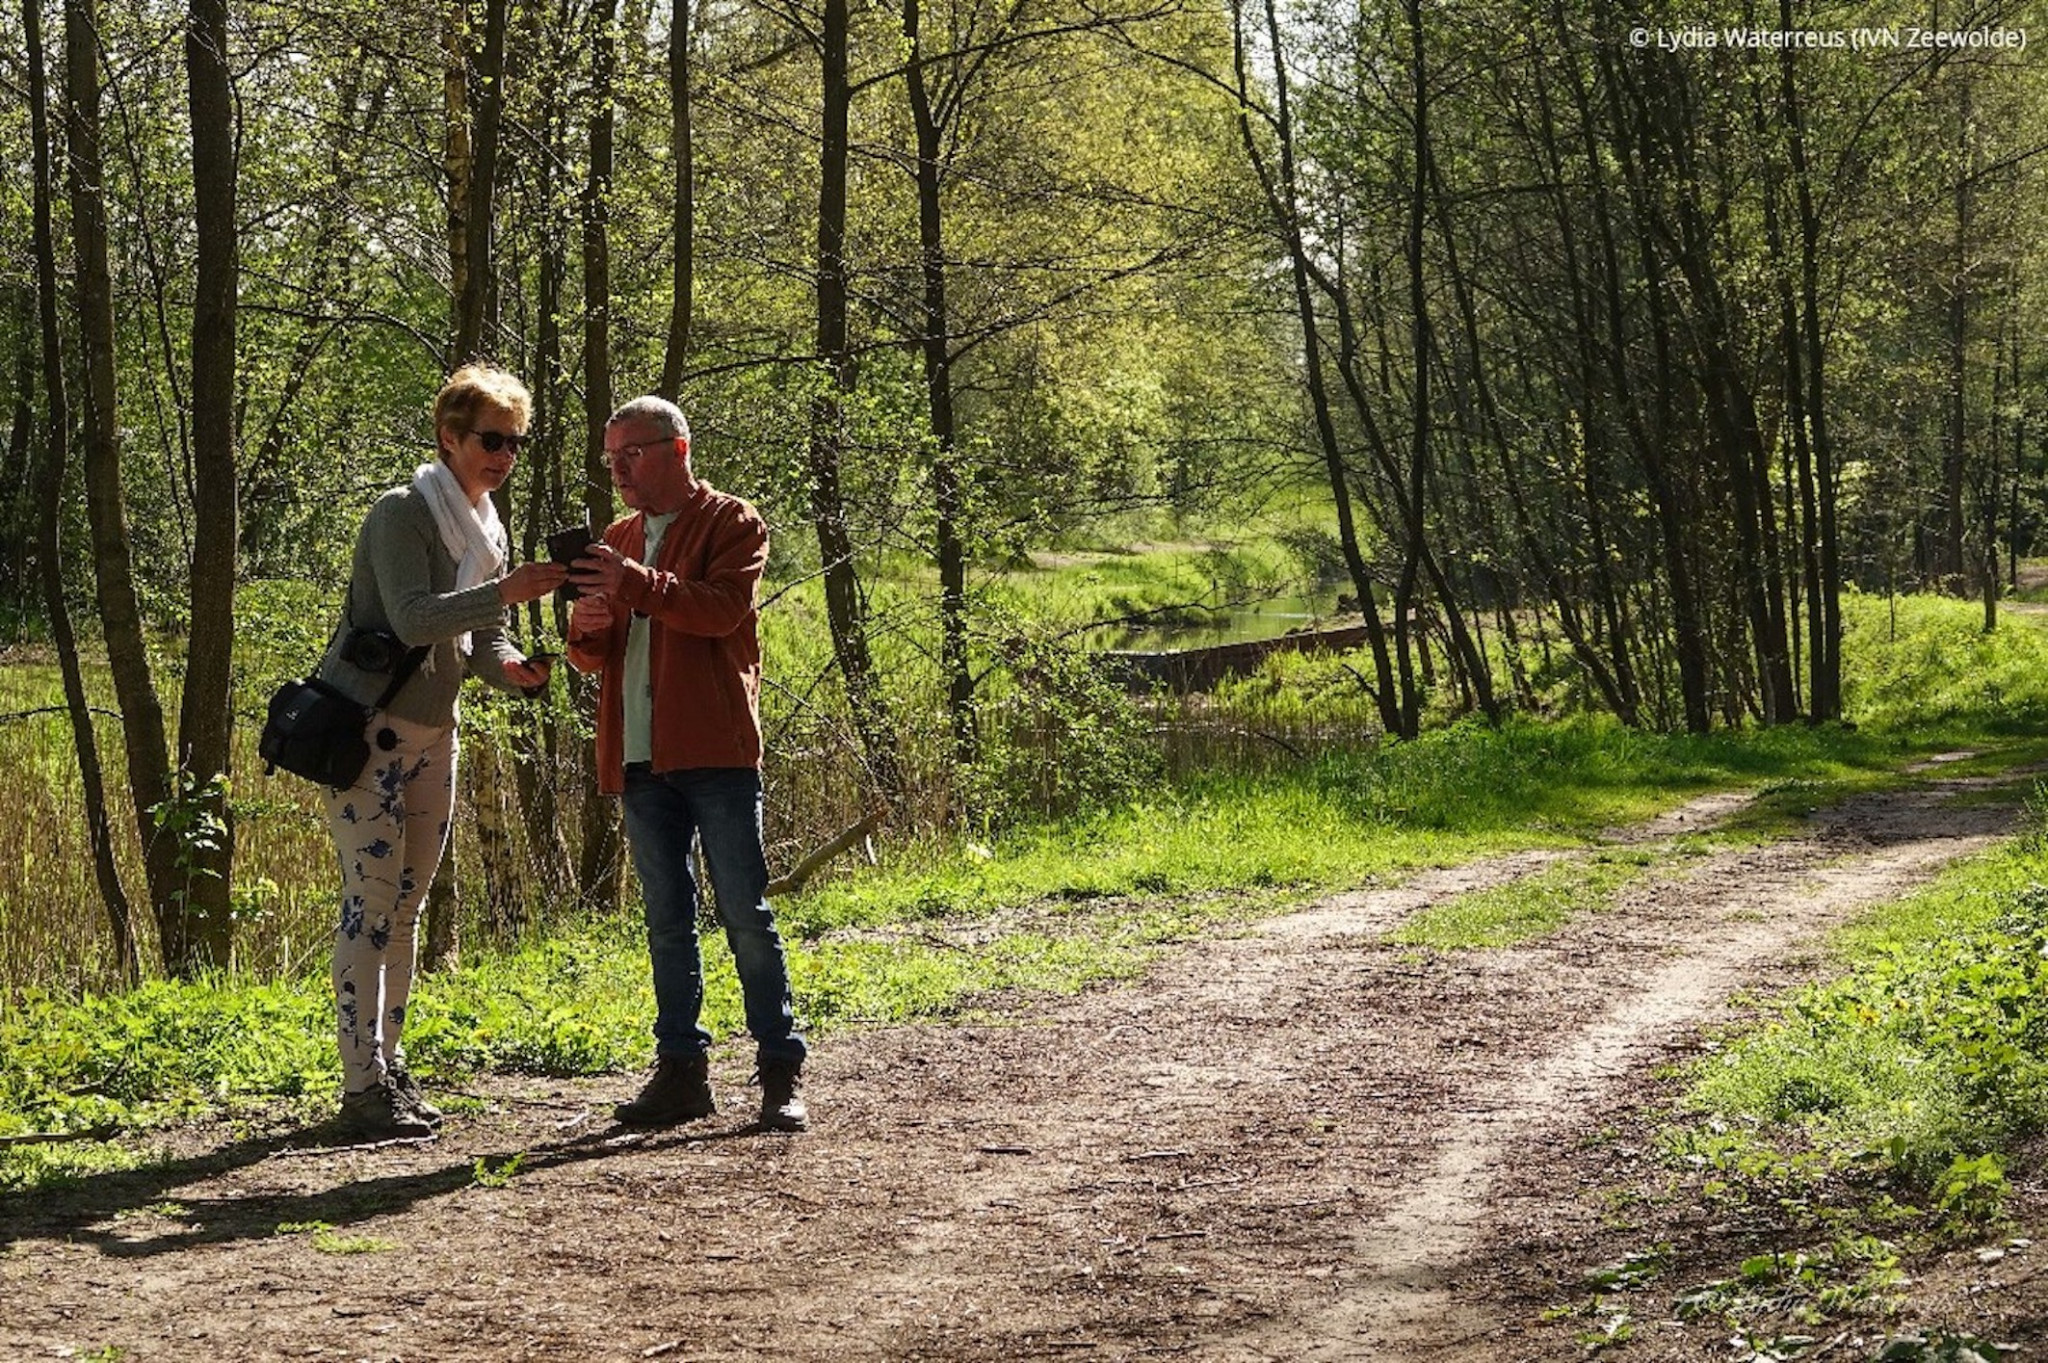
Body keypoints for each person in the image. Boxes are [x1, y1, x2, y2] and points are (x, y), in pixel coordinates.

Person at [317, 362, 567, 1139]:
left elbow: (480, 638)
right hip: (369, 732)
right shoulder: (403, 513)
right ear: (449, 437)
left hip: (436, 734)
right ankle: (360, 1088)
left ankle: (387, 1070)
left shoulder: (487, 525)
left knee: (408, 908)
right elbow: (414, 617)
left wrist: (511, 667)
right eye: (491, 440)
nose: (504, 455)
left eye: (516, 443)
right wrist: (510, 591)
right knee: (370, 904)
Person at [565, 395, 808, 1132]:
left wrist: (631, 583)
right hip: (640, 757)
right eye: (610, 458)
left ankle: (779, 1069)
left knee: (744, 913)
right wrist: (587, 629)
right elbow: (593, 657)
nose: (619, 470)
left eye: (631, 453)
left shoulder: (732, 521)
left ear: (677, 448)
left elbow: (718, 611)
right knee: (667, 922)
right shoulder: (619, 535)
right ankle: (681, 1074)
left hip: (715, 752)